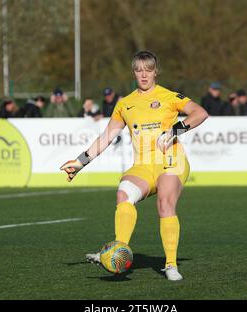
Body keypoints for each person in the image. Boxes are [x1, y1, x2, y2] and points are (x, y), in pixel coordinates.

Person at [60, 51, 208, 281]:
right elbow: (107, 136)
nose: (144, 74)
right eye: (139, 70)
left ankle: (170, 265)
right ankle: (118, 252)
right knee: (123, 195)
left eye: (148, 69)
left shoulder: (169, 96)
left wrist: (175, 130)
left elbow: (200, 113)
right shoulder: (125, 104)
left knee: (164, 202)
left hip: (171, 161)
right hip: (143, 164)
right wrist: (80, 162)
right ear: (133, 73)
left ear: (155, 71)